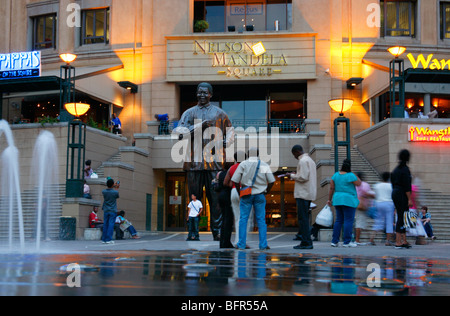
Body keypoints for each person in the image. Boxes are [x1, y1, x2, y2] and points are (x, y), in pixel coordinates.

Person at [174, 82, 235, 241]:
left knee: (215, 200)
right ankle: (193, 233)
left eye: (205, 93)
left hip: (214, 163)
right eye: (199, 92)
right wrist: (200, 126)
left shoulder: (219, 113)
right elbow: (180, 134)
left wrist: (226, 142)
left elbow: (231, 131)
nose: (201, 95)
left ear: (210, 95)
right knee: (194, 200)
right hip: (194, 163)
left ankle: (217, 232)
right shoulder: (189, 113)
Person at [231, 148, 276, 250]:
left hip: (246, 195)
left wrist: (240, 193)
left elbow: (235, 180)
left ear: (247, 154)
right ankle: (263, 245)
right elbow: (271, 181)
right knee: (261, 220)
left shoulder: (243, 164)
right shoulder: (264, 165)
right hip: (260, 194)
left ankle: (241, 244)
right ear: (258, 154)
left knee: (243, 219)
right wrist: (266, 191)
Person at [289, 145, 317, 250]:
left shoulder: (302, 161)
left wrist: (292, 176)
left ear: (296, 152)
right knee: (305, 218)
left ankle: (306, 242)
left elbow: (303, 177)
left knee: (303, 219)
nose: (295, 157)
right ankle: (306, 241)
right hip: (309, 192)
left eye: (294, 155)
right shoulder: (310, 160)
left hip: (303, 193)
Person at [328, 159, 361, 247]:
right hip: (349, 200)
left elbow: (331, 188)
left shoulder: (335, 175)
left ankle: (334, 241)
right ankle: (347, 242)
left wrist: (329, 199)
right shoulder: (350, 175)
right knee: (348, 220)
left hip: (337, 199)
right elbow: (359, 183)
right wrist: (354, 174)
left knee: (338, 220)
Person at [224, 151, 253, 246]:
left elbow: (225, 182)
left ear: (235, 158)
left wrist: (233, 185)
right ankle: (242, 242)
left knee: (237, 218)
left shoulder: (231, 168)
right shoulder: (247, 167)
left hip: (233, 192)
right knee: (246, 218)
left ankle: (237, 241)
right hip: (245, 191)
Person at [391, 149, 413, 249]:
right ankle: (398, 241)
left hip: (395, 192)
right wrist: (409, 199)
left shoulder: (395, 170)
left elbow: (392, 183)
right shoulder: (405, 170)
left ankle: (404, 240)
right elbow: (407, 186)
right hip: (402, 194)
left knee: (402, 216)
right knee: (402, 216)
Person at [369, 172, 395, 246]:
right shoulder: (391, 186)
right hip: (389, 203)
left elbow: (374, 194)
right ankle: (387, 240)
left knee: (378, 221)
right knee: (389, 221)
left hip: (379, 203)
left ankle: (372, 239)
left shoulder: (377, 185)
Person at [217, 162, 235, 248]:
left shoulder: (219, 173)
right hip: (228, 196)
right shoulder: (230, 174)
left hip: (221, 195)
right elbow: (229, 184)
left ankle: (222, 242)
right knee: (228, 220)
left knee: (224, 219)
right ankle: (226, 242)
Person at [354, 172, 375, 245]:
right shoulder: (365, 185)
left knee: (361, 221)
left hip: (355, 204)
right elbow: (367, 193)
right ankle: (357, 239)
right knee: (360, 222)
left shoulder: (354, 185)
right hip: (362, 205)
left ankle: (368, 239)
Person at [101, 178, 120, 244]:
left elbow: (108, 189)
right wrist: (116, 187)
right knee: (111, 224)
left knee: (105, 224)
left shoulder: (104, 191)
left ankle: (104, 239)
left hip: (106, 210)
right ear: (112, 185)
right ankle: (109, 239)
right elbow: (116, 195)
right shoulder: (115, 192)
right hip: (112, 210)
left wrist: (112, 186)